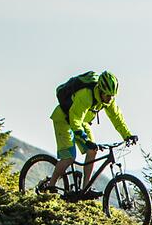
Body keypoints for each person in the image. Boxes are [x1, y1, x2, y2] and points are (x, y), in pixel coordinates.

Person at [45, 71, 137, 200]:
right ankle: (50, 187)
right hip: (64, 120)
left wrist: (127, 135)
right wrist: (84, 138)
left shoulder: (108, 101)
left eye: (112, 96)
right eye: (108, 95)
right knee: (69, 157)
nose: (110, 98)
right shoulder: (86, 95)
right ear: (100, 90)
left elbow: (117, 118)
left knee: (93, 150)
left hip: (81, 122)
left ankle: (85, 189)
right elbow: (74, 119)